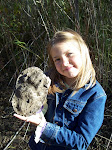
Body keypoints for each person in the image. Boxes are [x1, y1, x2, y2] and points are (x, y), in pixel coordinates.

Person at [14, 29, 107, 150]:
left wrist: (43, 126)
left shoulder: (95, 95)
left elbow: (81, 142)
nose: (64, 63)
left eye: (70, 54)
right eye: (57, 59)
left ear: (83, 53)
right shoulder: (47, 80)